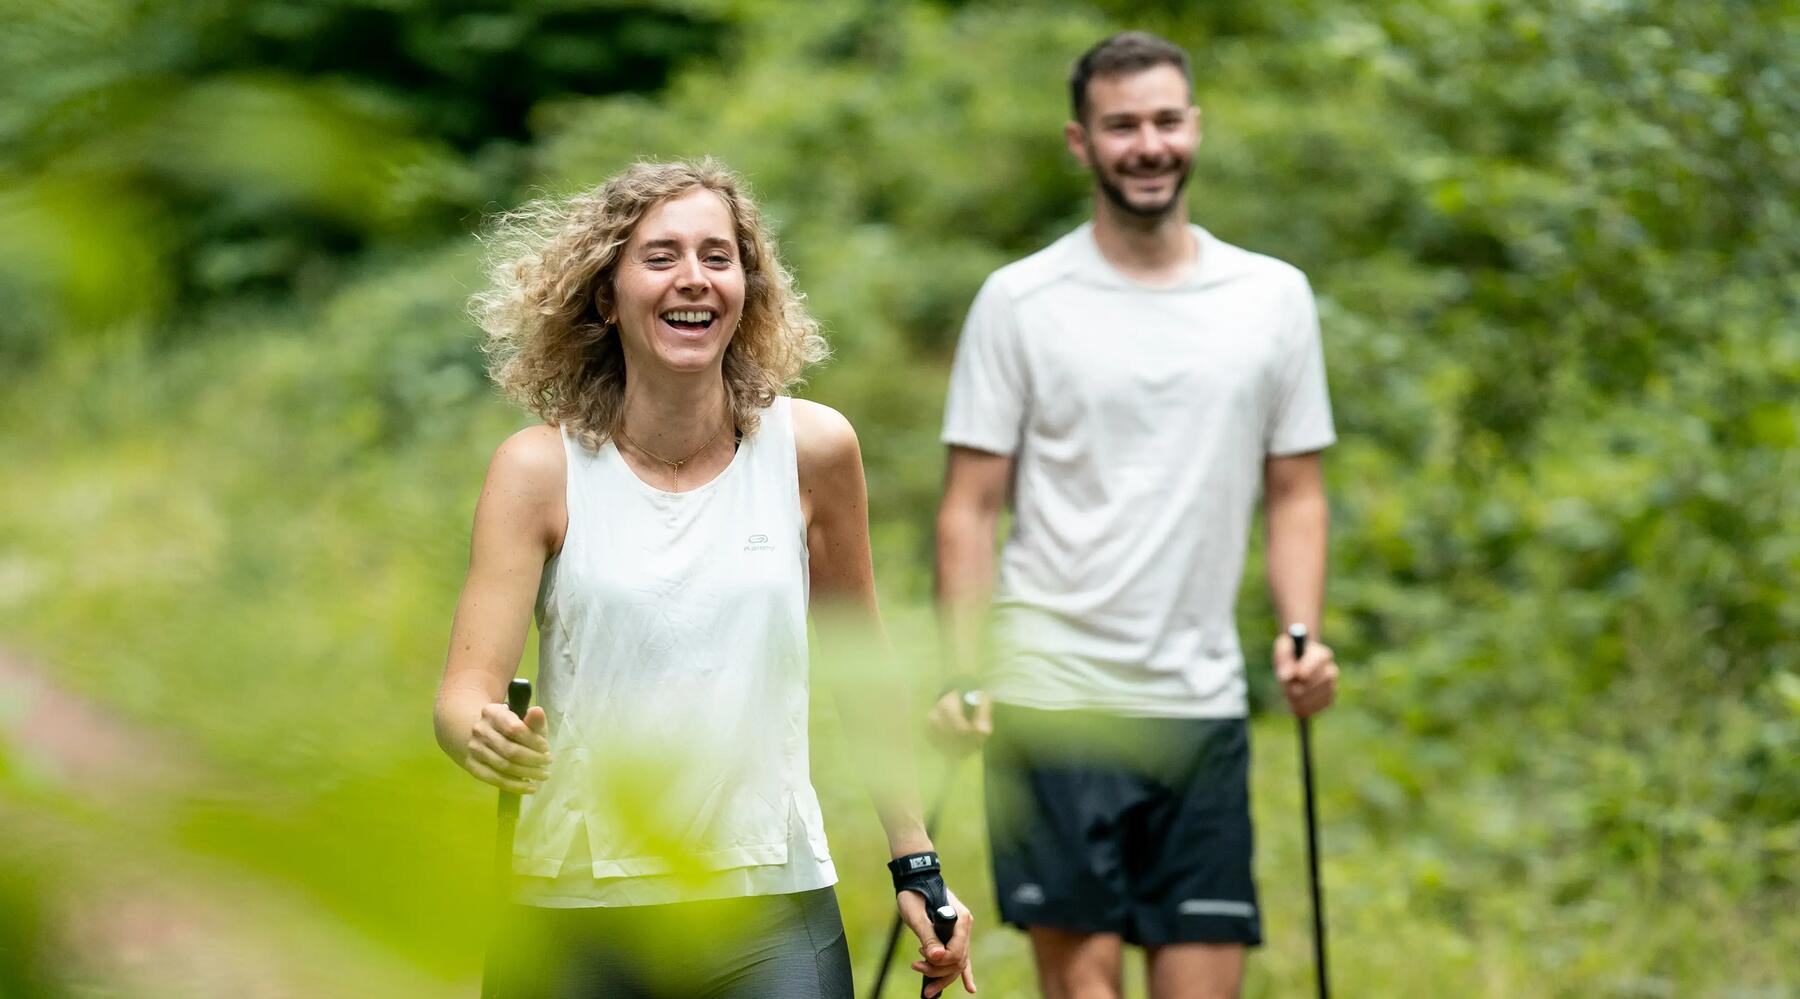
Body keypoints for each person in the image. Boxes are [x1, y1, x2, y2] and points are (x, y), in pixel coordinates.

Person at [433, 158, 976, 999]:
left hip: (770, 903)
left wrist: (919, 862)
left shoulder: (813, 451)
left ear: (747, 290)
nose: (694, 279)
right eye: (660, 257)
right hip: (576, 907)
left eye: (718, 257)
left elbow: (862, 675)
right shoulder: (539, 469)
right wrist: (482, 733)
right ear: (607, 296)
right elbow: (464, 694)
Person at [929, 31, 1341, 999]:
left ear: (1194, 128)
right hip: (1055, 695)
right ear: (1082, 142)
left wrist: (1302, 635)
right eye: (1122, 126)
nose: (1147, 145)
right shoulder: (1021, 300)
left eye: (1164, 120)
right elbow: (969, 507)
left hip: (1197, 702)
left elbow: (1297, 491)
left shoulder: (1272, 298)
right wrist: (962, 669)